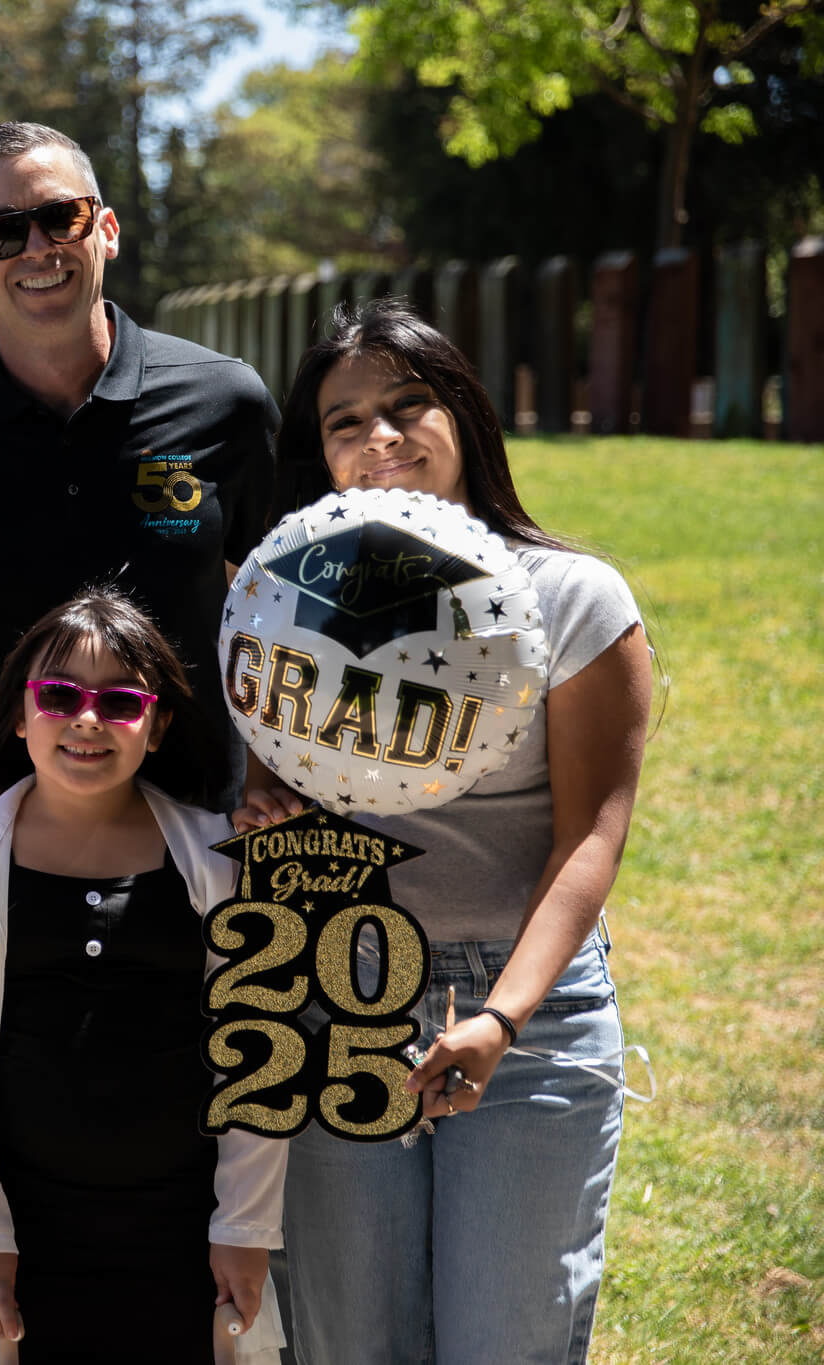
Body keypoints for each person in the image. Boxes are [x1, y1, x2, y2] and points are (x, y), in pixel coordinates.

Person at [236, 299, 652, 1364]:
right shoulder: (280, 603)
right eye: (343, 422)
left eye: (406, 404)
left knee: (501, 1345)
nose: (378, 438)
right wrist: (260, 802)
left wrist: (501, 1019)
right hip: (338, 997)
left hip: (525, 1020)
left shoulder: (570, 598)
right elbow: (263, 785)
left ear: (462, 414)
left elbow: (589, 837)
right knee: (345, 1346)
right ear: (316, 456)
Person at [0, 120, 279, 823]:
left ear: (106, 229)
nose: (37, 248)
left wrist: (265, 771)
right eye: (3, 232)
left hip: (204, 827)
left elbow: (277, 603)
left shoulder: (226, 402)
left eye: (61, 218)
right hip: (2, 838)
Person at [0, 588, 288, 1364]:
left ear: (159, 727)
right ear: (20, 715)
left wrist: (243, 1228)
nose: (87, 719)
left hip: (185, 1223)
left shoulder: (217, 860)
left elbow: (260, 1052)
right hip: (26, 1225)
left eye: (119, 700)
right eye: (58, 695)